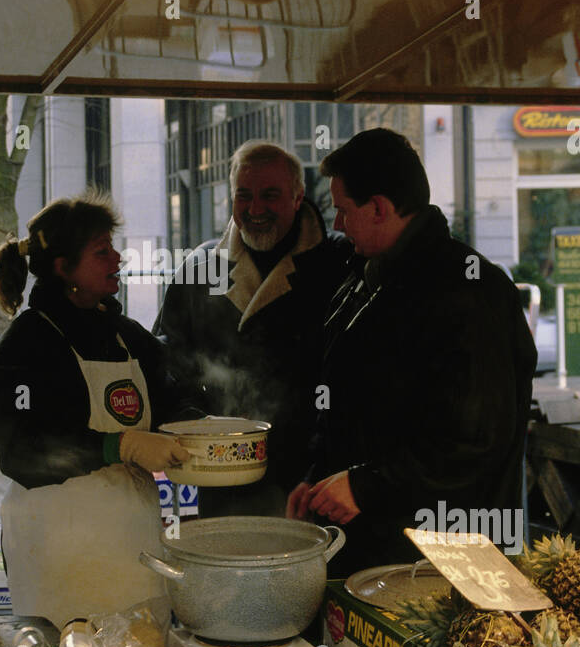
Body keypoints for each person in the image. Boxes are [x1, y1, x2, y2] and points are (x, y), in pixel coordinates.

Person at [287, 128, 537, 578]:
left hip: (444, 564)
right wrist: (318, 478)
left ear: (379, 207)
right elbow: (346, 404)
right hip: (371, 552)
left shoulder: (470, 292)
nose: (337, 225)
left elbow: (472, 441)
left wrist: (364, 486)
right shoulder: (364, 277)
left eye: (343, 210)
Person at [0, 193, 194, 629]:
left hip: (132, 548)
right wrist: (121, 445)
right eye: (101, 251)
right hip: (59, 556)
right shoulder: (26, 346)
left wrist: (206, 431)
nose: (117, 257)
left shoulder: (123, 334)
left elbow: (175, 398)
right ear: (63, 267)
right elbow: (22, 452)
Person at [154, 141, 352, 517]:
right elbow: (168, 363)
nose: (255, 209)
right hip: (223, 475)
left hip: (315, 481)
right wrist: (196, 422)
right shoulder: (200, 269)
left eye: (270, 195)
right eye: (243, 196)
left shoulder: (339, 265)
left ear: (298, 198)